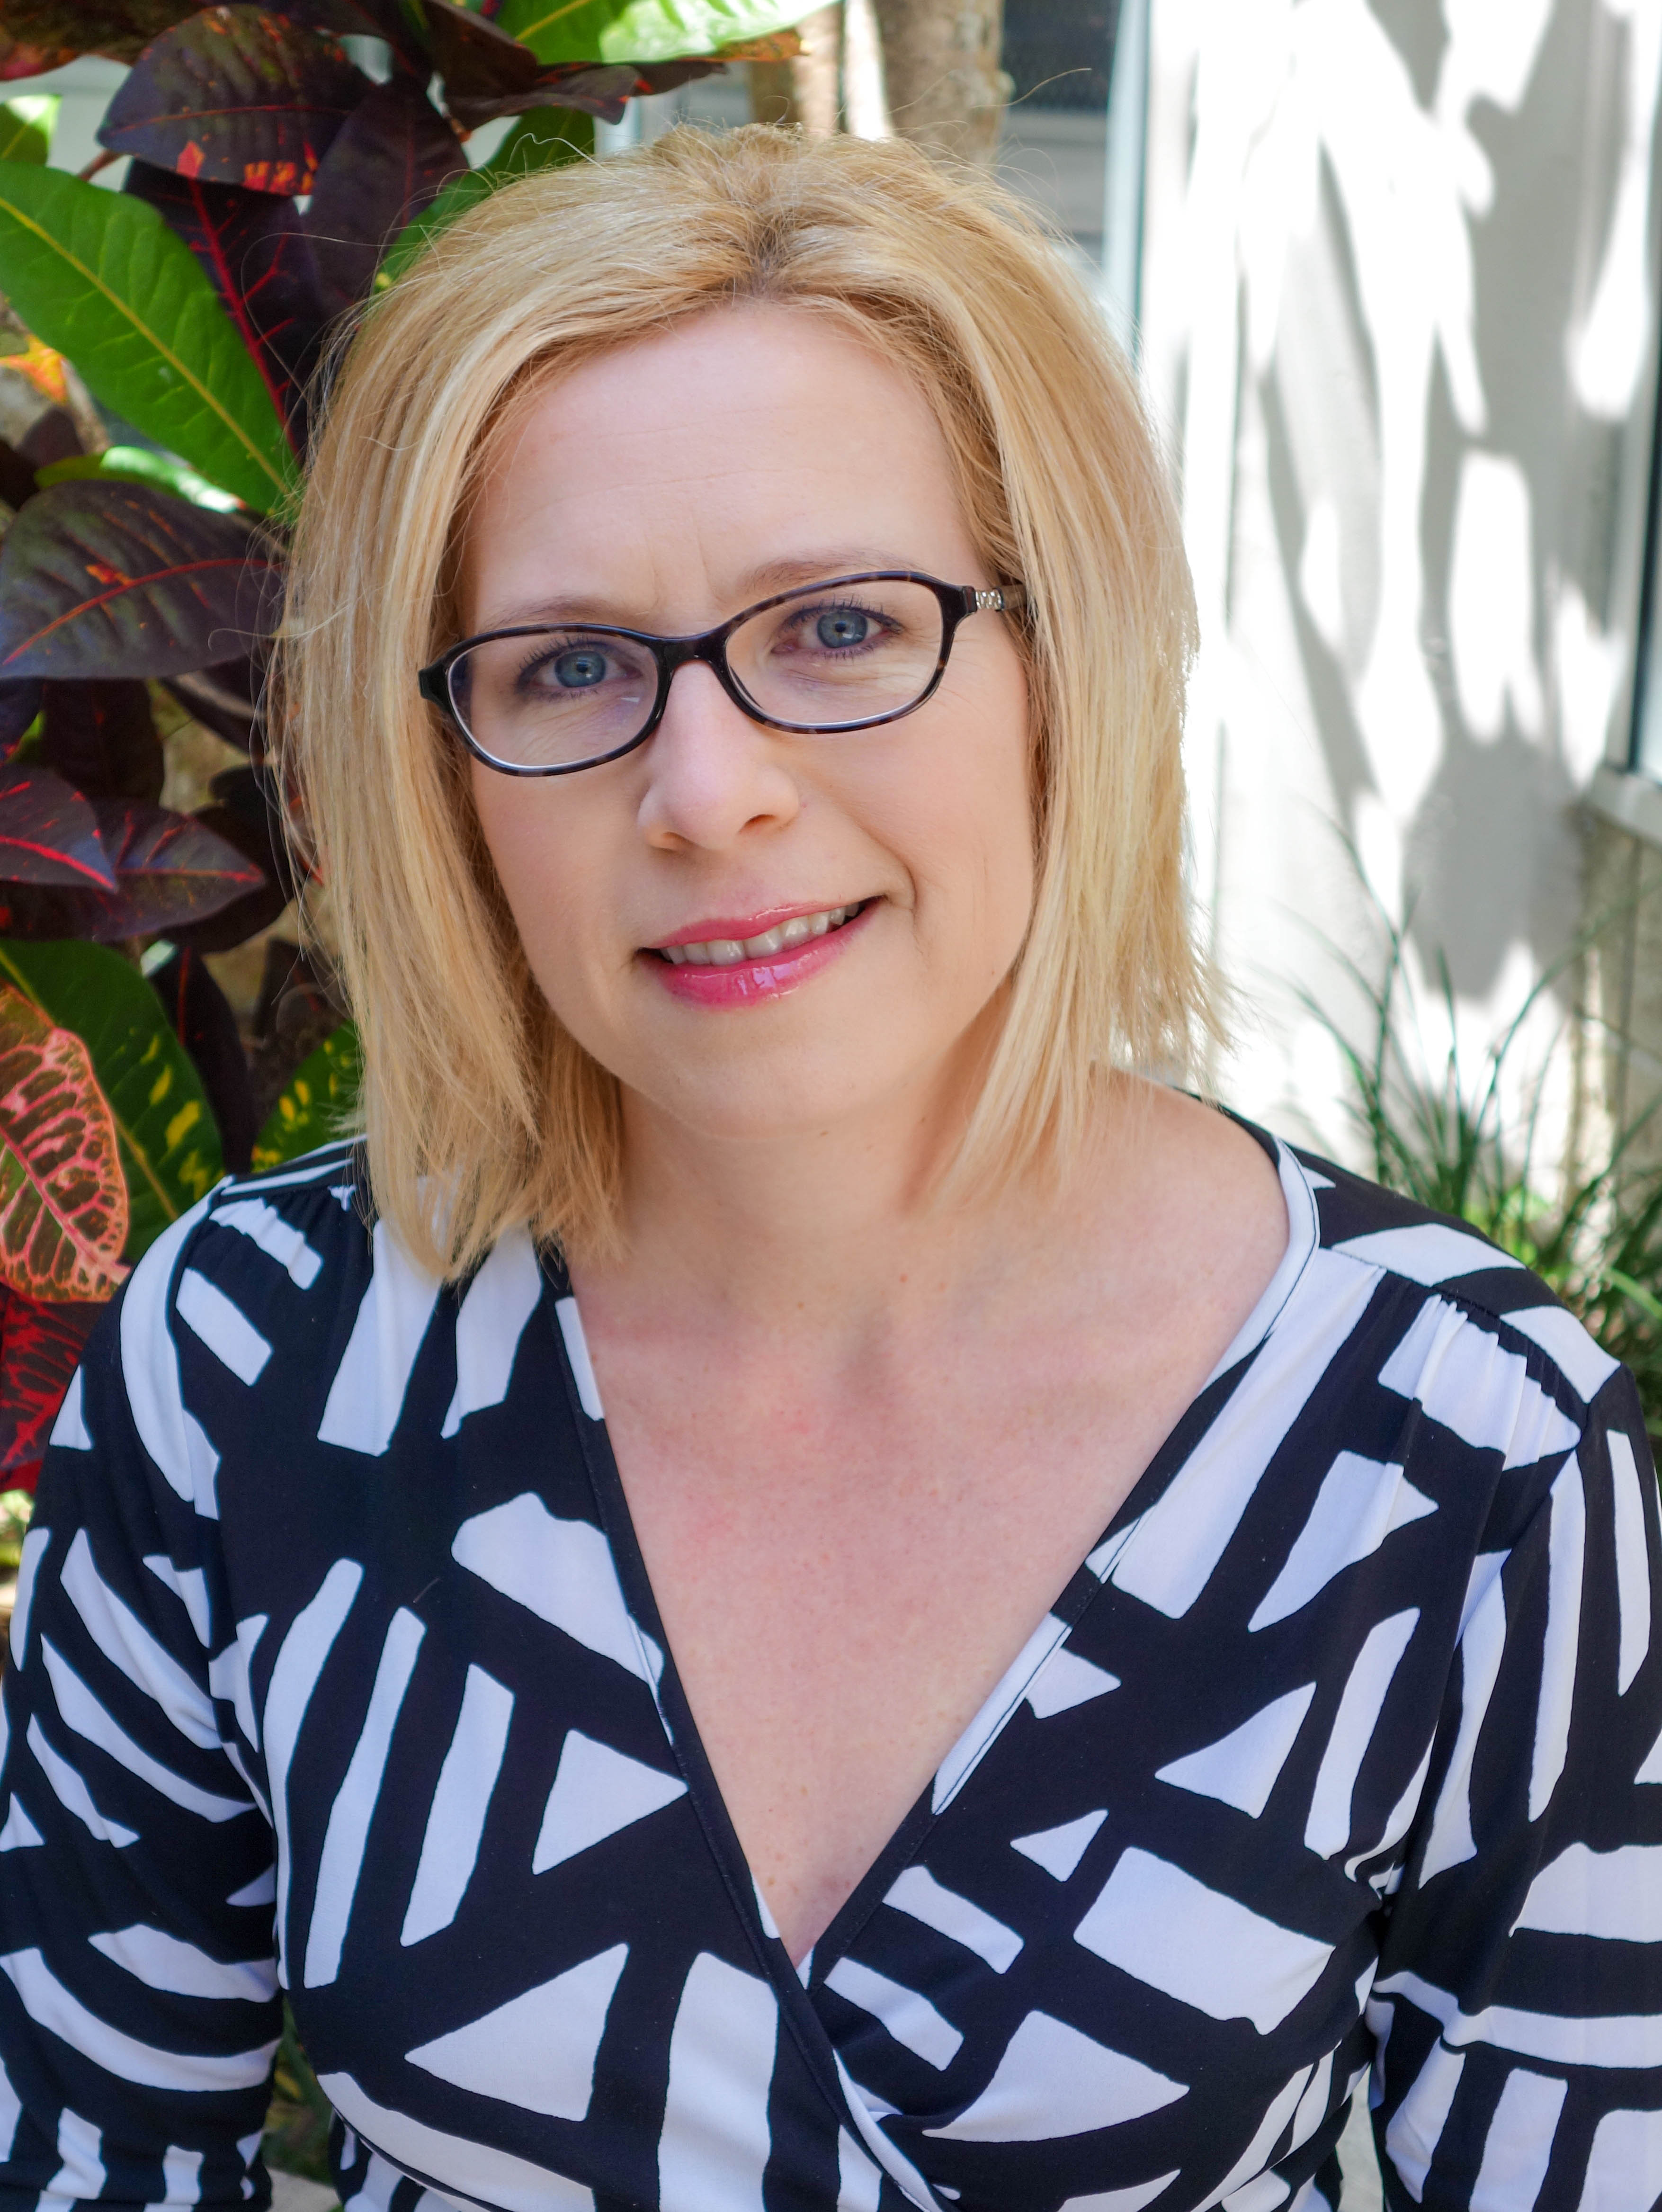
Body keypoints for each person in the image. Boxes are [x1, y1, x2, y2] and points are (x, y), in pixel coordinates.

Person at [0, 124, 1655, 2212]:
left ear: (1066, 663)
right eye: (570, 667)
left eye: (843, 630)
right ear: (447, 777)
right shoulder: (253, 1364)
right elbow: (82, 2159)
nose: (708, 795)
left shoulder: (1462, 1449)